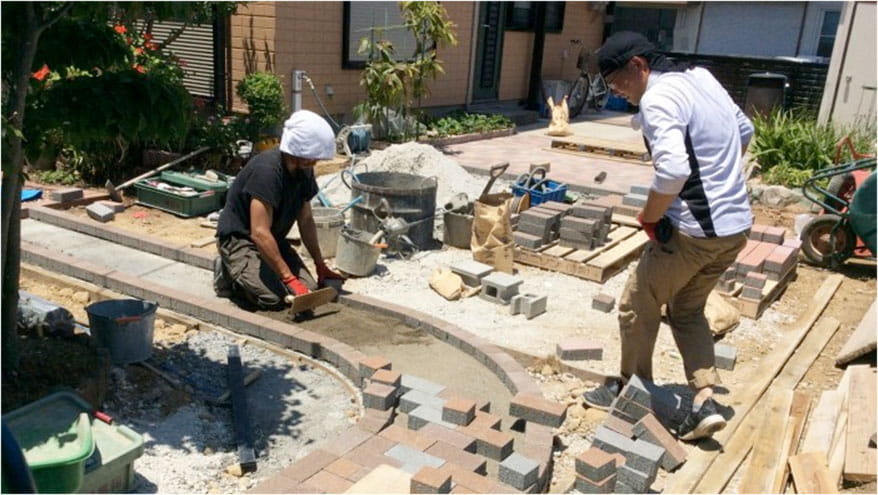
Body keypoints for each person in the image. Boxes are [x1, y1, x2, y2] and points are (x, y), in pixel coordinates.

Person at [581, 32, 754, 441]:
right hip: (735, 228)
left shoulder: (659, 99)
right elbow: (743, 129)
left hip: (694, 234)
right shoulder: (702, 79)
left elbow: (674, 170)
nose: (616, 92)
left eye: (616, 81)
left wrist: (649, 216)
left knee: (636, 302)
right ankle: (704, 402)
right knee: (686, 309)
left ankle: (630, 389)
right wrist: (720, 178)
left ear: (639, 66)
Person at [213, 109, 344, 311]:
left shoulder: (304, 170)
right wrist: (288, 278)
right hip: (241, 240)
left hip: (273, 240)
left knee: (307, 290)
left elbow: (306, 219)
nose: (316, 162)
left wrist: (320, 265)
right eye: (312, 157)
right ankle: (228, 274)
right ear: (298, 150)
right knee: (273, 299)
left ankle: (263, 274)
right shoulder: (267, 172)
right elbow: (259, 232)